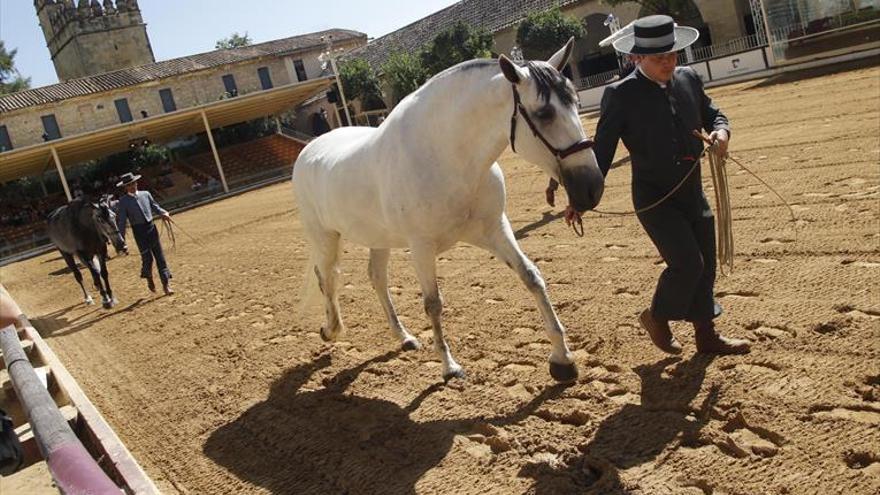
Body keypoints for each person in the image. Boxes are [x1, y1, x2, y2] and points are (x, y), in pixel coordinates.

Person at [553, 15, 750, 355]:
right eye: (659, 58)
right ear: (637, 58)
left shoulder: (689, 78)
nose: (668, 63)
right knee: (688, 263)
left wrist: (721, 133)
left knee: (706, 263)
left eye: (672, 54)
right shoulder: (619, 95)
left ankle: (706, 336)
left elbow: (715, 115)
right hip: (654, 199)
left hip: (693, 191)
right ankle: (656, 316)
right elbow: (602, 152)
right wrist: (580, 200)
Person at [115, 172, 175, 295]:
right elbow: (121, 221)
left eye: (133, 183)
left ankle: (166, 285)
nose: (132, 186)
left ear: (136, 183)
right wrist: (121, 240)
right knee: (147, 259)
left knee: (160, 257)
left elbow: (155, 207)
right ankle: (149, 278)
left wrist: (164, 213)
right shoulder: (123, 201)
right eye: (129, 185)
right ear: (125, 188)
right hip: (139, 232)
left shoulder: (145, 194)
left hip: (151, 228)